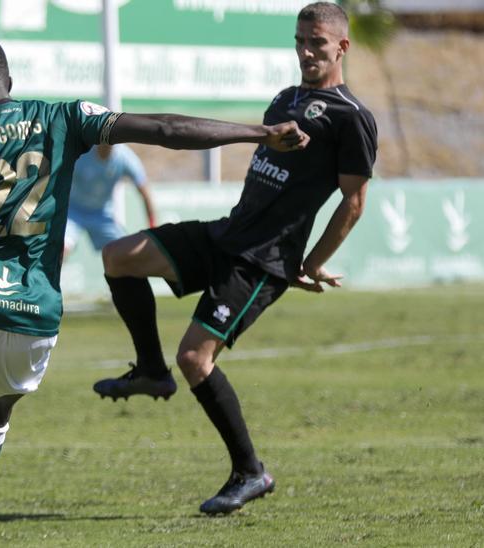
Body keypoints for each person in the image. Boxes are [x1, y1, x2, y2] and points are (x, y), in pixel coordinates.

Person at [0, 37, 308, 547]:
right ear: (9, 82)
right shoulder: (64, 118)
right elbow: (166, 129)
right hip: (31, 312)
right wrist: (260, 132)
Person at [92, 1, 378, 516]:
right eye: (299, 41)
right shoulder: (284, 100)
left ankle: (250, 472)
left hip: (262, 261)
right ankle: (151, 371)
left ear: (342, 46)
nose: (306, 51)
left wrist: (310, 262)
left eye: (316, 42)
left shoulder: (351, 117)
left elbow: (353, 202)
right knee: (119, 256)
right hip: (226, 234)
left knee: (195, 359)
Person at [64, 144, 156, 258]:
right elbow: (57, 176)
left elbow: (145, 193)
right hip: (73, 211)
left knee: (124, 253)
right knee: (61, 248)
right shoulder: (82, 153)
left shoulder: (125, 157)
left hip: (102, 213)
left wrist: (152, 229)